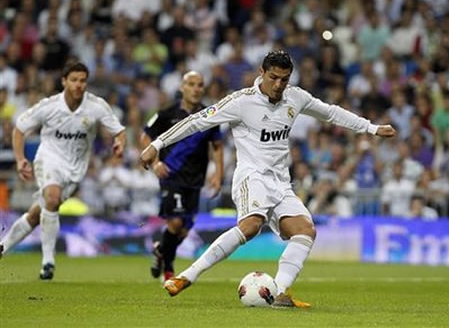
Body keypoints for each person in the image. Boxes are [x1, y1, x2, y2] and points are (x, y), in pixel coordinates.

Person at [140, 50, 396, 308]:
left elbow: (330, 113)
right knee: (251, 225)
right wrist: (158, 143)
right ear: (261, 73)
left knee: (305, 231)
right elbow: (196, 121)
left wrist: (371, 128)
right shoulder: (241, 101)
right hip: (251, 176)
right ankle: (186, 276)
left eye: (284, 79)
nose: (278, 85)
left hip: (280, 181)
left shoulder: (295, 97)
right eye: (273, 77)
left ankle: (280, 293)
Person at [0, 61, 126, 280]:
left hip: (76, 169)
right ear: (64, 81)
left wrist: (120, 143)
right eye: (74, 80)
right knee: (53, 197)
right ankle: (48, 262)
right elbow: (20, 129)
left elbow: (119, 131)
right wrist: (21, 159)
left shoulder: (96, 106)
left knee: (37, 213)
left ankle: (2, 247)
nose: (78, 85)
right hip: (48, 159)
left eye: (83, 80)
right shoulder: (49, 106)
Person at [141, 71, 223, 281]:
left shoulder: (210, 115)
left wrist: (218, 173)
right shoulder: (166, 114)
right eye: (192, 84)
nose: (196, 89)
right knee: (175, 223)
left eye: (200, 85)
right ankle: (168, 269)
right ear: (182, 87)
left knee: (184, 231)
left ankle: (161, 250)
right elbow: (146, 137)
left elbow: (217, 145)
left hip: (195, 180)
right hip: (171, 175)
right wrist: (155, 162)